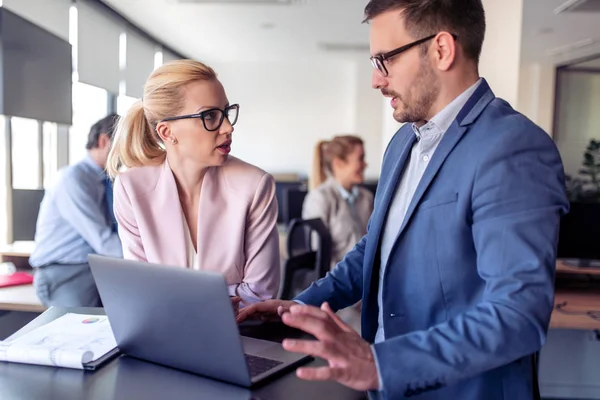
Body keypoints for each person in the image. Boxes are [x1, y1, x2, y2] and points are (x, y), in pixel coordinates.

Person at [237, 1, 569, 398]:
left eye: (384, 60)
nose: (377, 81)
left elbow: (519, 315)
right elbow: (375, 250)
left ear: (441, 49)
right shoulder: (403, 143)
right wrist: (297, 310)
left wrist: (380, 364)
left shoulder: (513, 147)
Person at [106, 60, 280, 307]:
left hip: (240, 335)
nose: (228, 128)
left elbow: (259, 294)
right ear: (167, 132)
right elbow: (142, 292)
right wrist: (222, 296)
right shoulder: (131, 188)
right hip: (162, 335)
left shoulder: (255, 185)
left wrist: (174, 298)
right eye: (210, 116)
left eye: (226, 112)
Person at [30, 114, 122, 307]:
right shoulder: (73, 179)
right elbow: (102, 239)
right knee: (82, 335)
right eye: (124, 144)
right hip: (66, 274)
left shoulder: (107, 181)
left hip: (95, 270)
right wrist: (150, 259)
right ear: (104, 140)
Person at [303, 135, 374, 268]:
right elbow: (319, 257)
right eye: (360, 159)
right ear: (338, 163)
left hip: (365, 276)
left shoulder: (367, 198)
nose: (366, 164)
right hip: (338, 282)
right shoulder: (320, 199)